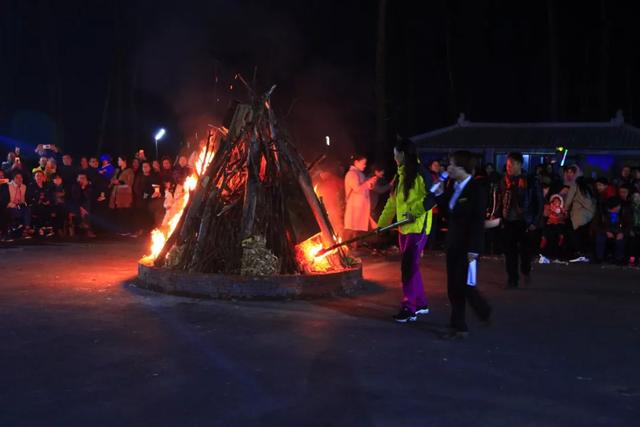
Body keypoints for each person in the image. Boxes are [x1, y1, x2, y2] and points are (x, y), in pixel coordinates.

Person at [431, 150, 491, 339]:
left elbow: (477, 222)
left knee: (463, 285)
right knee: (452, 286)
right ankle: (457, 324)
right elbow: (447, 212)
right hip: (453, 244)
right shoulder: (453, 186)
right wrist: (439, 194)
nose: (447, 168)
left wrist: (474, 249)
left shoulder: (475, 189)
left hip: (468, 246)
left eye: (451, 165)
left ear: (461, 168)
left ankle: (479, 312)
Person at [378, 140, 434, 323]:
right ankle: (421, 303)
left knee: (408, 267)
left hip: (418, 228)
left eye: (396, 154)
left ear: (403, 154)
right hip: (403, 228)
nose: (394, 158)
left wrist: (414, 212)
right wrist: (382, 223)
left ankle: (409, 307)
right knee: (412, 266)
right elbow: (392, 202)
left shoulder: (421, 174)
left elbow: (431, 198)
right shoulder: (400, 175)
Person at [496, 152, 543, 289]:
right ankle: (512, 279)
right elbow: (500, 199)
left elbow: (539, 202)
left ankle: (526, 270)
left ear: (520, 164)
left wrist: (535, 221)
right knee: (510, 252)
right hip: (508, 220)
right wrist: (498, 216)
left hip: (525, 221)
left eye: (512, 164)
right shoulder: (503, 180)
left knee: (525, 251)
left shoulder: (530, 180)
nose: (509, 167)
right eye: (508, 164)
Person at [343, 154, 377, 244]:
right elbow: (357, 188)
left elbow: (365, 187)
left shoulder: (360, 174)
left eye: (365, 164)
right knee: (351, 228)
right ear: (356, 162)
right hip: (354, 206)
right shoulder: (351, 174)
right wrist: (368, 183)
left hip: (360, 206)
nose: (364, 165)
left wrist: (371, 183)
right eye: (363, 163)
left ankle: (353, 247)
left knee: (356, 229)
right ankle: (343, 247)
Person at [592, 196, 632, 265]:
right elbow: (595, 225)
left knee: (620, 241)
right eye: (610, 210)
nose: (612, 211)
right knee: (600, 238)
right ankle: (599, 258)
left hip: (619, 230)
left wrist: (622, 233)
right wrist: (606, 231)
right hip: (606, 230)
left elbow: (629, 225)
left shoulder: (624, 211)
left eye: (614, 209)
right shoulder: (602, 211)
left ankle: (619, 259)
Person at [109, 156, 135, 234]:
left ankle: (126, 230)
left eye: (119, 160)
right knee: (118, 211)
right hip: (116, 192)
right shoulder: (117, 170)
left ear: (124, 161)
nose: (118, 161)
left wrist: (120, 182)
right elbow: (112, 179)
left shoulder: (129, 171)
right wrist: (113, 182)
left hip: (124, 193)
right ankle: (119, 229)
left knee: (125, 211)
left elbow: (130, 182)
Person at [26, 170, 54, 237]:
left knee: (54, 208)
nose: (39, 177)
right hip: (35, 205)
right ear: (34, 177)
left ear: (43, 177)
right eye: (37, 176)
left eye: (40, 176)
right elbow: (29, 198)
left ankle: (49, 228)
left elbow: (50, 196)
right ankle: (40, 229)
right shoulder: (31, 186)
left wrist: (48, 201)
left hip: (46, 204)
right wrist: (38, 202)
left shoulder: (46, 186)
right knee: (40, 208)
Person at [70, 172, 96, 238]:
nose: (82, 180)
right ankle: (86, 228)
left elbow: (88, 196)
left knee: (87, 204)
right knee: (84, 207)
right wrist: (81, 188)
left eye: (84, 178)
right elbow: (76, 197)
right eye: (80, 178)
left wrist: (84, 188)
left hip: (86, 205)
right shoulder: (74, 186)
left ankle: (86, 228)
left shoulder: (89, 186)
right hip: (77, 205)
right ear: (77, 179)